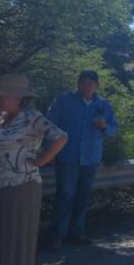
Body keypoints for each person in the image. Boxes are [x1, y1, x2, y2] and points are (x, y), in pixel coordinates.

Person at [0, 74, 67, 265]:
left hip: (22, 183)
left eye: (4, 97)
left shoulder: (32, 117)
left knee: (17, 236)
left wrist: (42, 160)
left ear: (18, 99)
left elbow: (60, 137)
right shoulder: (1, 119)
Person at [44, 69, 118, 250]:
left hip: (90, 158)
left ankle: (76, 233)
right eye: (83, 82)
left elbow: (113, 130)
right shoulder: (64, 100)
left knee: (83, 197)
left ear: (96, 86)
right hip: (66, 157)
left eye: (90, 83)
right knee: (64, 196)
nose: (86, 86)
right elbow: (48, 125)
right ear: (78, 83)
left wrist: (104, 127)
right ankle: (56, 235)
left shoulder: (103, 104)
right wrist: (49, 152)